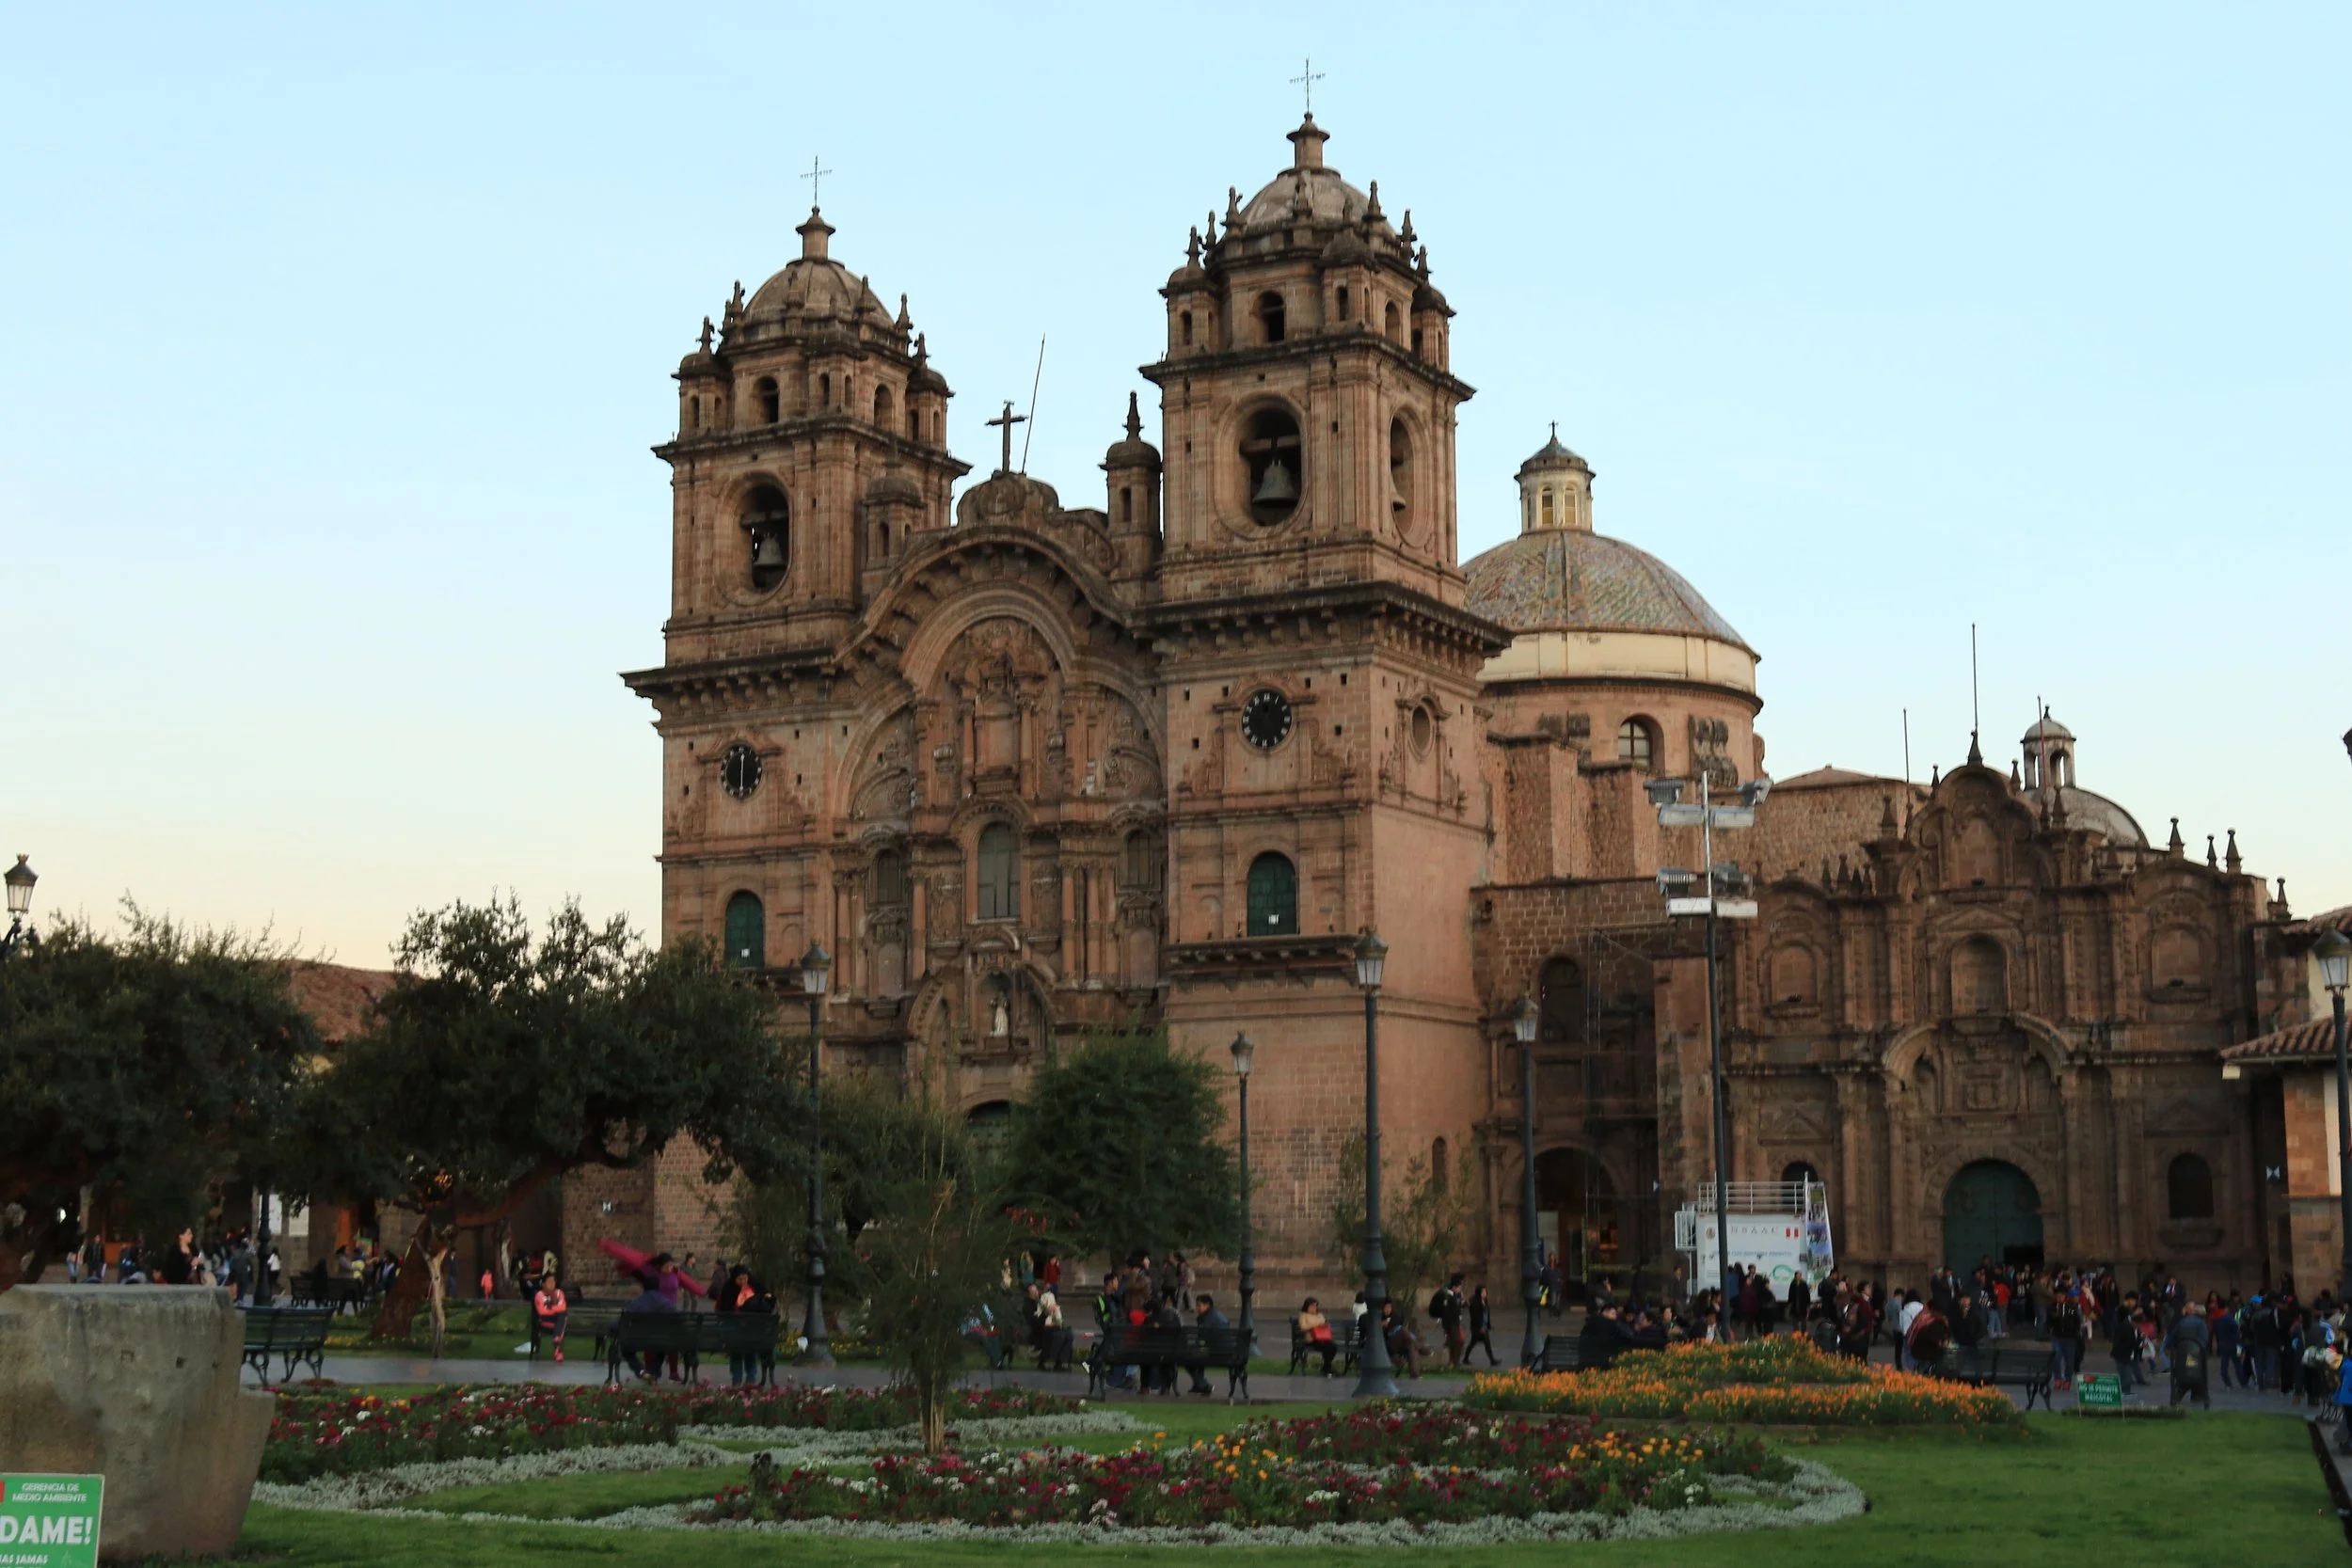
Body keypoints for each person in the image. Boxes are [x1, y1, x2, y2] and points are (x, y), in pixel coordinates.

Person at [713, 1264, 775, 1385]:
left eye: (745, 1278)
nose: (743, 1281)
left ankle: (750, 1378)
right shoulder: (729, 1288)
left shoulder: (755, 1285)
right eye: (739, 1279)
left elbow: (766, 1299)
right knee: (736, 1351)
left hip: (752, 1326)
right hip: (735, 1326)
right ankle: (737, 1378)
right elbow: (726, 1309)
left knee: (751, 1351)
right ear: (734, 1278)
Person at [2166, 1302, 2211, 1408]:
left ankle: (2178, 1396)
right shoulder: (2201, 1323)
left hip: (2182, 1353)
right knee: (2197, 1374)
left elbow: (2172, 1336)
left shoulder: (2182, 1322)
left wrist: (2170, 1346)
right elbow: (2204, 1340)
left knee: (2182, 1378)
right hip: (2196, 1354)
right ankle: (2198, 1396)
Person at [1184, 1292, 1229, 1396]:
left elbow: (1203, 1339)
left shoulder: (1207, 1318)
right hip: (1225, 1349)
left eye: (1199, 1305)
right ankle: (1199, 1385)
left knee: (1186, 1358)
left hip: (1215, 1351)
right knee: (1196, 1355)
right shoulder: (1218, 1315)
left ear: (1207, 1305)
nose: (1197, 1308)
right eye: (1197, 1305)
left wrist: (1193, 1347)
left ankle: (1203, 1385)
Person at [1379, 1299, 1424, 1377]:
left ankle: (1414, 1374)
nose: (1388, 1309)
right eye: (1386, 1307)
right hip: (1389, 1343)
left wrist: (1388, 1325)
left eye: (1389, 1307)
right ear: (1382, 1309)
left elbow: (1397, 1323)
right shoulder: (1379, 1317)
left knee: (1410, 1346)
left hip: (1400, 1342)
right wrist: (1383, 1325)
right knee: (1404, 1331)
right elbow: (1383, 1332)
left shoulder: (1394, 1315)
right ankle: (1420, 1348)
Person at [532, 1272, 571, 1363]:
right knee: (563, 1318)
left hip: (557, 1320)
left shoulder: (559, 1293)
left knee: (562, 1317)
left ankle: (557, 1341)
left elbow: (563, 1307)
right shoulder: (539, 1295)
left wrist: (550, 1308)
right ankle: (558, 1351)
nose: (552, 1283)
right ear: (544, 1284)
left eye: (553, 1281)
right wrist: (555, 1309)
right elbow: (542, 1312)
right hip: (545, 1321)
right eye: (549, 1281)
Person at [1295, 1297, 1339, 1375]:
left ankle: (1326, 1368)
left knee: (1333, 1347)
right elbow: (1303, 1327)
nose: (1314, 1308)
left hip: (1323, 1337)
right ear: (1307, 1306)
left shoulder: (1320, 1315)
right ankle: (1327, 1369)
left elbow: (1324, 1324)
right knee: (1326, 1347)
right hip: (1312, 1339)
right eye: (1312, 1306)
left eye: (1315, 1306)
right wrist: (1315, 1325)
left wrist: (1325, 1325)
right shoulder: (1303, 1315)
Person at [1430, 1274, 1467, 1367]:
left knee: (1454, 1341)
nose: (1460, 1289)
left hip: (1455, 1321)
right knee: (1459, 1340)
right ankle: (1455, 1361)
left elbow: (1457, 1305)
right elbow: (1446, 1309)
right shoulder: (1447, 1295)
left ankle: (1452, 1361)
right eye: (1459, 1286)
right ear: (1454, 1287)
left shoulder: (1455, 1295)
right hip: (1451, 1323)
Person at [1462, 1285, 1499, 1367]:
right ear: (1479, 1292)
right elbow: (1475, 1317)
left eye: (1485, 1291)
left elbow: (1486, 1314)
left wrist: (1488, 1325)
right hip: (1477, 1327)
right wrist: (1480, 1327)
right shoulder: (1475, 1302)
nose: (1485, 1293)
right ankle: (1492, 1360)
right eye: (1483, 1292)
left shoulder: (1484, 1300)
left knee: (1474, 1342)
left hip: (1484, 1326)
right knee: (1485, 1343)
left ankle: (1465, 1358)